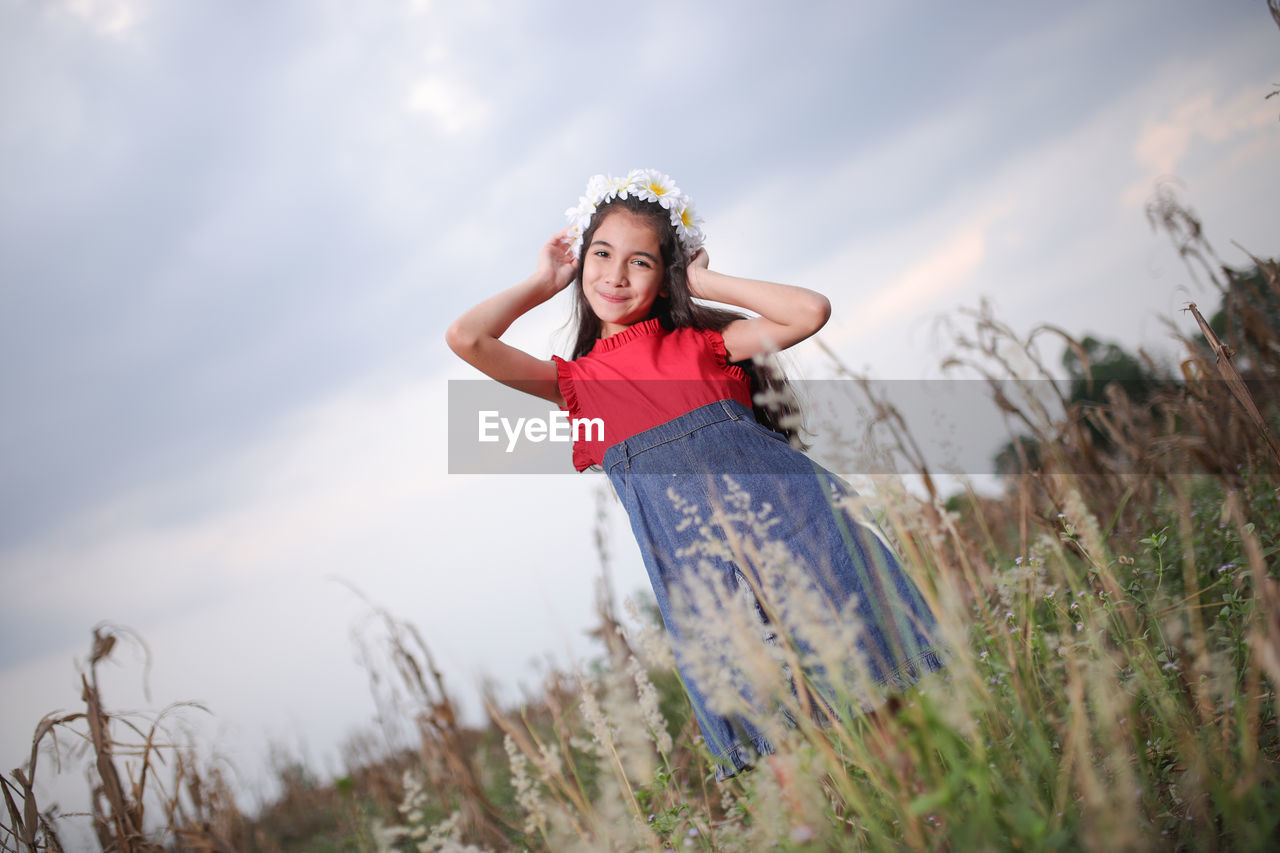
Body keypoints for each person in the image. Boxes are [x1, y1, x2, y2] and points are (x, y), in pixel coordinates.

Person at [447, 169, 945, 780]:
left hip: (801, 532)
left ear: (665, 278)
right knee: (787, 760)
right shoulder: (576, 387)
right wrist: (543, 280)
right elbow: (467, 338)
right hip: (705, 585)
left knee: (883, 715)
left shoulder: (705, 347)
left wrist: (703, 278)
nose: (615, 275)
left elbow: (810, 310)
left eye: (641, 263)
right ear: (582, 262)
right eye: (600, 255)